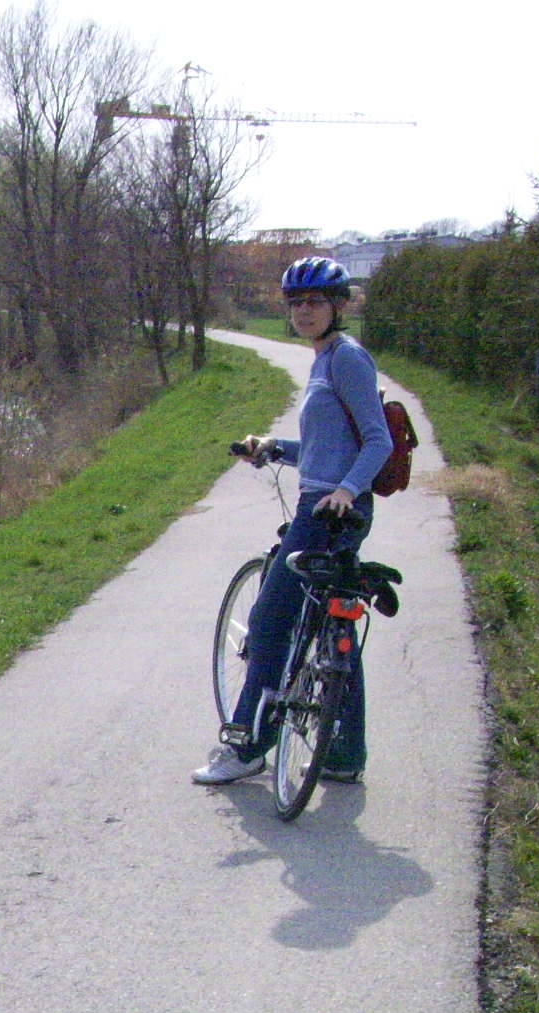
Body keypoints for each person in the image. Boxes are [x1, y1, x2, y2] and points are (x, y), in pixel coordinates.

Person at [193, 257, 393, 786]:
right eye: (296, 303)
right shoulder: (326, 359)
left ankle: (247, 745)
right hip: (330, 504)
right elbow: (329, 448)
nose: (304, 312)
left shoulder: (346, 359)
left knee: (270, 619)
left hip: (329, 510)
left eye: (315, 302)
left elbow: (379, 441)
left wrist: (346, 490)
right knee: (332, 623)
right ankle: (343, 753)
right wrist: (274, 447)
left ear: (338, 305)